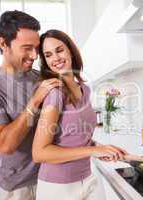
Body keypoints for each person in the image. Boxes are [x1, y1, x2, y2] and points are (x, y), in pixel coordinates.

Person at [0, 11, 61, 200]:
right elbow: (6, 145)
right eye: (27, 48)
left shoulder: (41, 78)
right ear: (3, 44)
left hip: (51, 176)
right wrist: (35, 100)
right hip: (16, 186)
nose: (35, 55)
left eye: (37, 48)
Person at [32, 29, 127, 200]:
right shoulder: (55, 93)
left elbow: (76, 137)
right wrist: (93, 150)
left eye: (59, 50)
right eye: (48, 55)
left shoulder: (85, 89)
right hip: (58, 187)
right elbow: (39, 153)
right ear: (45, 62)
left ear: (70, 50)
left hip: (87, 178)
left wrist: (101, 149)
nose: (56, 58)